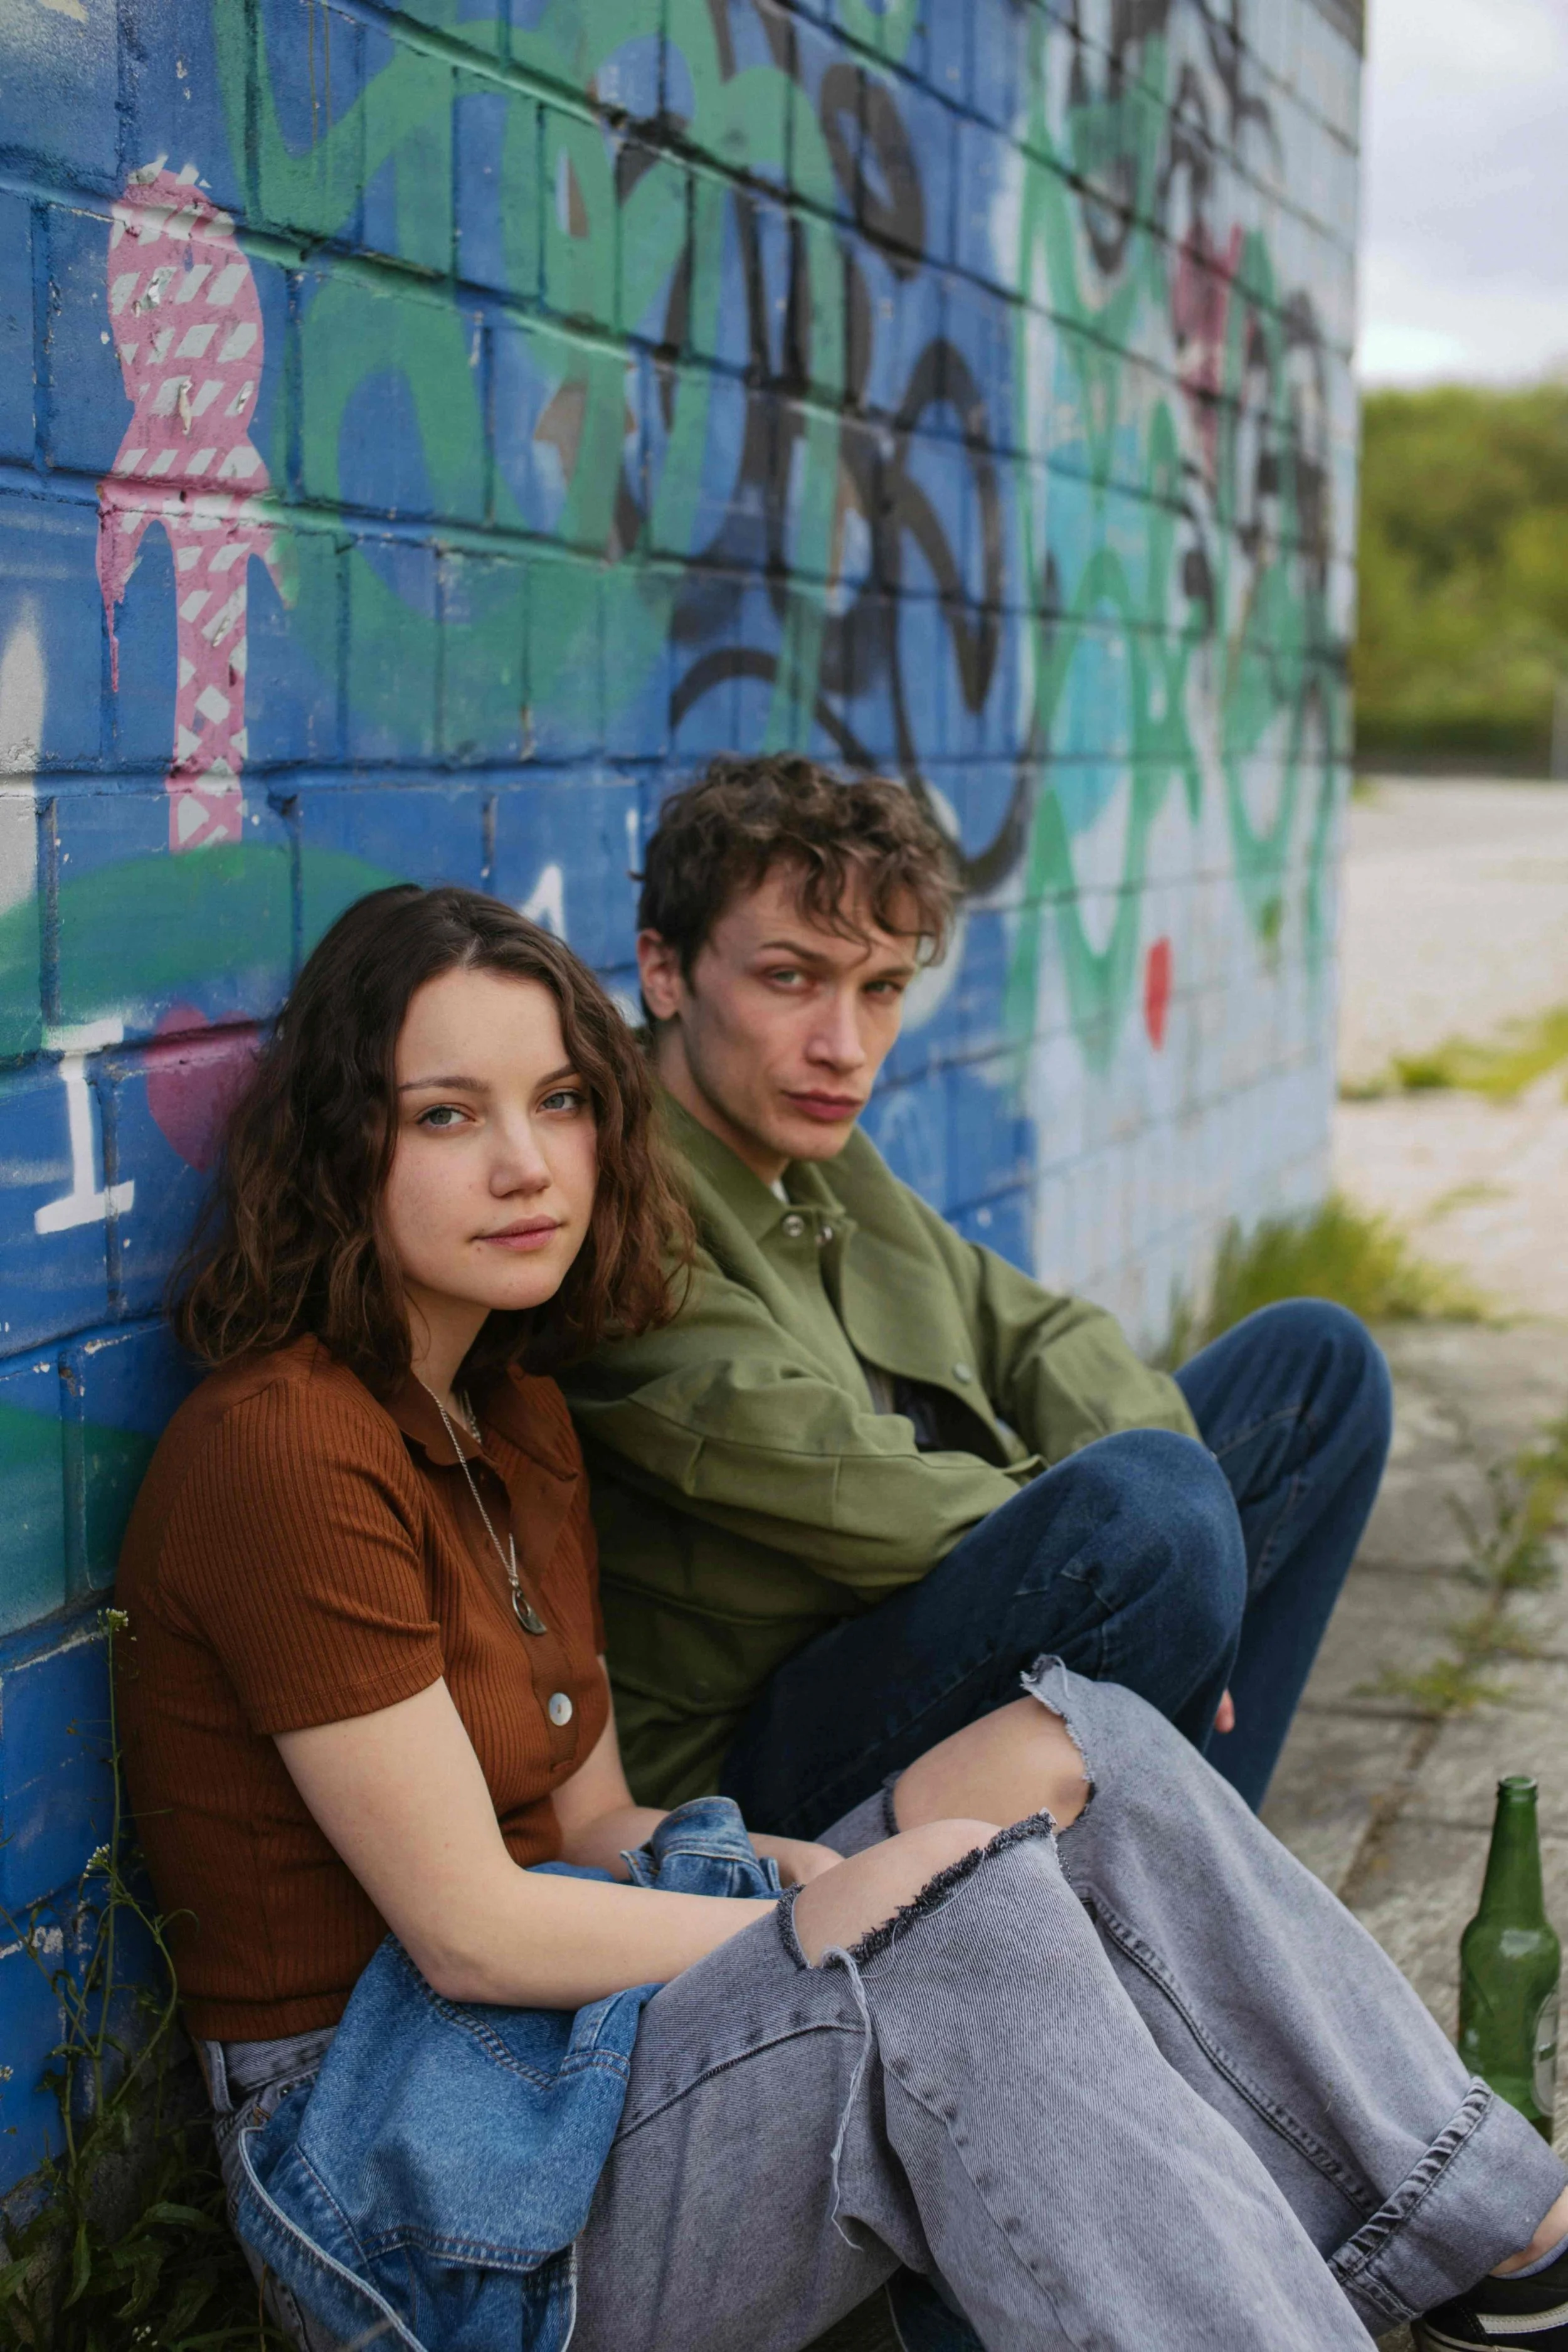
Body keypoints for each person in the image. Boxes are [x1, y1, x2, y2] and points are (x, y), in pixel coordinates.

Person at [114, 882, 1568, 2352]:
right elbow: (473, 1935)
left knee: (1081, 1753)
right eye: (445, 1115)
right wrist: (824, 1911)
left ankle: (1501, 2238)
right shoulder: (283, 1450)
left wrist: (806, 1861)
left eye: (558, 1102)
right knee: (953, 1933)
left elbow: (591, 1821)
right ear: (343, 1146)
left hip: (570, 2057)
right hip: (403, 2176)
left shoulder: (512, 1411)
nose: (523, 1163)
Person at [561, 755, 1394, 1829]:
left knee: (1316, 1369)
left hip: (891, 1638)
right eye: (790, 978)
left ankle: (1201, 1855)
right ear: (665, 972)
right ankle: (1185, 1867)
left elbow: (1042, 1333)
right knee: (1151, 1520)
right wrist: (1139, 1547)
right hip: (752, 1752)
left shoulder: (814, 1154)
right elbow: (841, 1477)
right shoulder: (614, 1201)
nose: (844, 1047)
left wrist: (1189, 1566)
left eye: (881, 989)